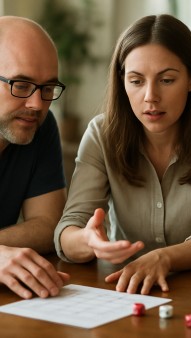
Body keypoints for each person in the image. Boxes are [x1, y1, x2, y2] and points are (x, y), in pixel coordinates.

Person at [54, 14, 191, 295]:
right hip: (125, 290)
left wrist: (164, 257)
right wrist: (88, 241)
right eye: (136, 81)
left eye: (167, 80)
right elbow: (68, 229)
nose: (151, 96)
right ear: (122, 82)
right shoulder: (101, 133)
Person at [0, 16, 69, 299]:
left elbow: (48, 224)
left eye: (48, 88)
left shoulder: (40, 126)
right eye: (21, 84)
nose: (37, 104)